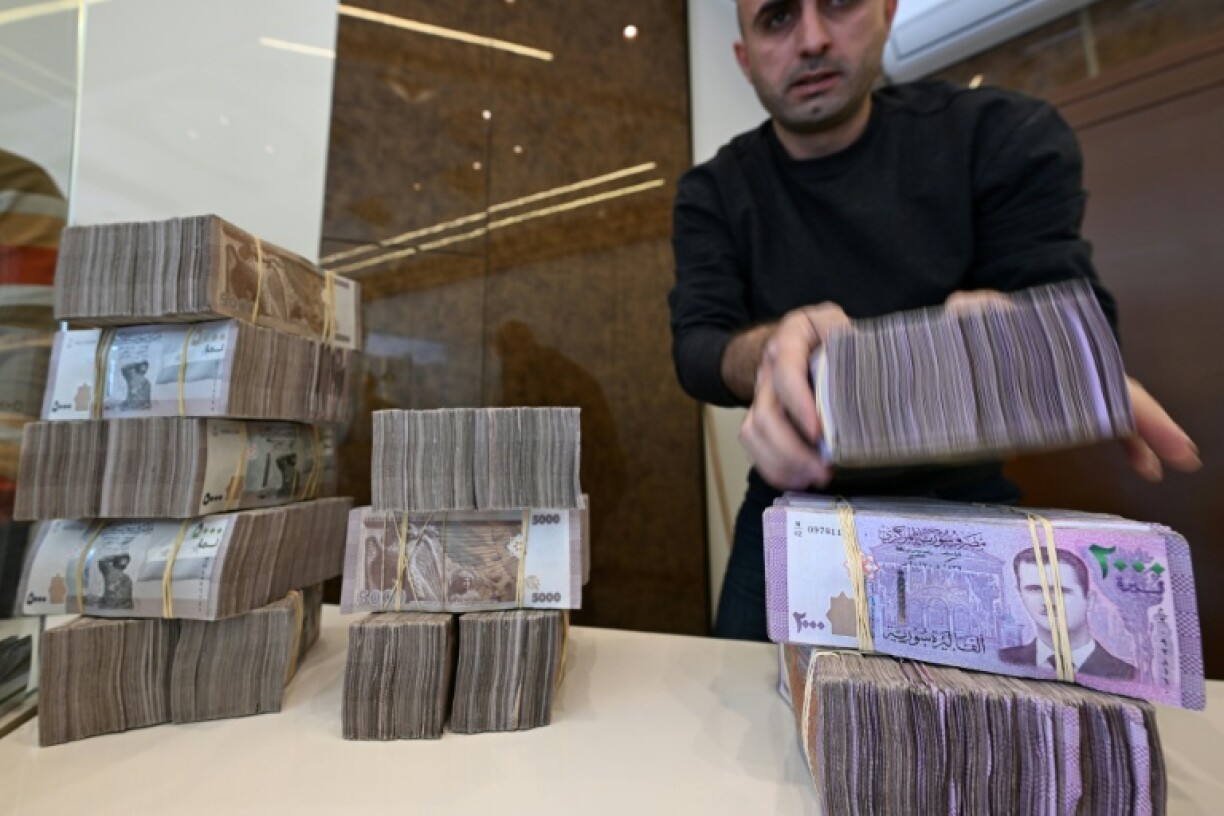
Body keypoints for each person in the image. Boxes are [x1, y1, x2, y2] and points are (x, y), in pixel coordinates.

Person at [668, 0, 1201, 641]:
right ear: (744, 58)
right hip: (793, 509)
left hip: (966, 499)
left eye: (838, 5)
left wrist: (1022, 334)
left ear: (888, 13)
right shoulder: (713, 191)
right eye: (777, 18)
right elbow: (699, 349)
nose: (810, 39)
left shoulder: (999, 134)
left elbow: (1074, 314)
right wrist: (773, 351)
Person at [999, 548, 1136, 680]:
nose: (1048, 602)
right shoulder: (1002, 661)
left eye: (1061, 591)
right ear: (1020, 594)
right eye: (1034, 589)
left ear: (1089, 600)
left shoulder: (1128, 675)